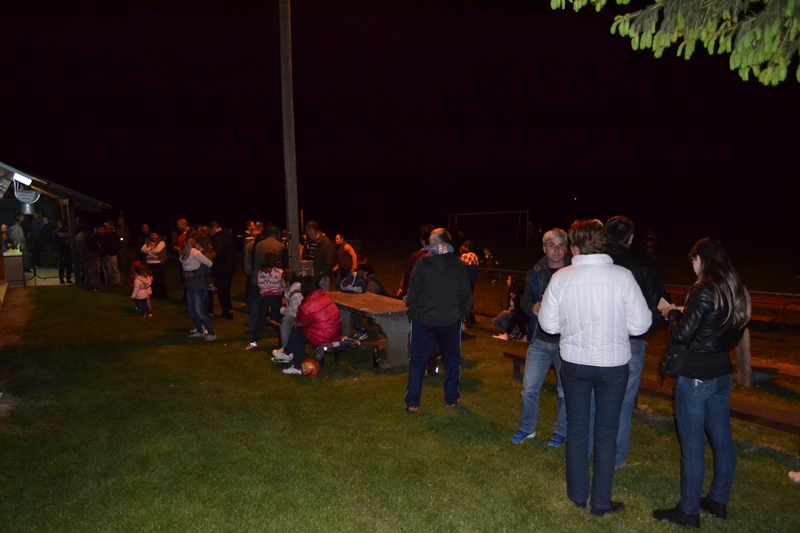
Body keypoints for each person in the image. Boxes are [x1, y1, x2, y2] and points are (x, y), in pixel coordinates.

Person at [538, 219, 650, 517]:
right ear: (602, 243)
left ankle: (578, 495)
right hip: (612, 365)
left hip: (575, 363)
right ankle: (600, 502)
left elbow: (548, 325)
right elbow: (641, 325)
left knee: (577, 429)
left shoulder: (561, 277)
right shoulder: (622, 276)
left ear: (573, 246)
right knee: (606, 431)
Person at [652, 238, 751, 528]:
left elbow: (683, 335)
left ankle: (688, 513)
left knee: (693, 447)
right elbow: (728, 327)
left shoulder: (703, 287)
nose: (692, 267)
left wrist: (672, 314)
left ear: (701, 259)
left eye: (693, 261)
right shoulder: (735, 287)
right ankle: (718, 501)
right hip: (722, 371)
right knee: (723, 442)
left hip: (696, 375)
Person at [594, 216, 668, 470]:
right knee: (623, 402)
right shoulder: (642, 267)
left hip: (596, 338)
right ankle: (614, 458)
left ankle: (590, 449)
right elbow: (659, 305)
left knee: (593, 397)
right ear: (631, 238)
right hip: (630, 342)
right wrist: (643, 330)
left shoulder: (592, 266)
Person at [509, 228, 571, 448]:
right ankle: (527, 427)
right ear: (544, 248)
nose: (556, 250)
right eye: (551, 245)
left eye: (561, 245)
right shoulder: (536, 271)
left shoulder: (575, 271)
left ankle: (561, 431)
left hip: (567, 343)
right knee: (530, 388)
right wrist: (531, 306)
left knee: (565, 391)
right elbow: (524, 300)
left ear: (567, 248)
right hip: (539, 340)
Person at [404, 228, 472, 412]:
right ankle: (451, 398)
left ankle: (412, 402)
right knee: (451, 361)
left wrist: (413, 312)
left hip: (424, 320)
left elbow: (413, 290)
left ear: (434, 241)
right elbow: (466, 294)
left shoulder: (422, 262)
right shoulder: (458, 264)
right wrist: (461, 314)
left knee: (418, 361)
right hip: (450, 320)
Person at [276, 276, 342, 374]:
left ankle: (296, 364)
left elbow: (300, 320)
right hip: (336, 332)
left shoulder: (308, 304)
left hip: (325, 335)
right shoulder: (326, 296)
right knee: (301, 330)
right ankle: (286, 352)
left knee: (297, 331)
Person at [247, 225, 288, 332]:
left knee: (256, 303)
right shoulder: (281, 246)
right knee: (276, 304)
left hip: (259, 276)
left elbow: (252, 260)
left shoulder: (258, 245)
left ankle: (252, 325)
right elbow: (285, 264)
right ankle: (276, 324)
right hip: (275, 279)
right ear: (278, 235)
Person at [246, 250, 284, 351]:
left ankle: (253, 342)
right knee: (279, 320)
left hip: (265, 297)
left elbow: (259, 284)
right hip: (276, 297)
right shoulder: (279, 272)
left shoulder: (261, 272)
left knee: (260, 319)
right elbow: (281, 285)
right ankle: (282, 343)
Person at [180, 238, 216, 341]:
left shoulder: (202, 255)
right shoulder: (188, 255)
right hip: (190, 284)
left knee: (199, 310)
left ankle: (211, 333)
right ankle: (199, 330)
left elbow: (204, 270)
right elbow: (185, 268)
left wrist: (193, 274)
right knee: (192, 309)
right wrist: (185, 275)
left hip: (199, 285)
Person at [270, 269, 303, 360]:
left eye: (282, 280)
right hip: (298, 316)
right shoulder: (290, 290)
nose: (280, 282)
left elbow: (293, 313)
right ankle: (286, 350)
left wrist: (282, 310)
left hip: (302, 319)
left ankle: (286, 352)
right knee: (285, 321)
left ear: (287, 282)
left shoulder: (296, 293)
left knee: (286, 321)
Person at [208, 221, 236, 320]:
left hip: (222, 268)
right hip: (230, 267)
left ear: (213, 228)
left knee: (222, 291)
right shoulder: (228, 236)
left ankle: (227, 312)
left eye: (210, 231)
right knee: (225, 290)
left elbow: (217, 253)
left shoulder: (219, 238)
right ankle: (228, 310)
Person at [492, 275, 527, 341]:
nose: (507, 281)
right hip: (512, 311)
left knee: (502, 316)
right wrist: (506, 310)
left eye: (509, 280)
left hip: (516, 312)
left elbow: (519, 308)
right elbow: (509, 305)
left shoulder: (519, 292)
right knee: (495, 321)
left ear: (513, 282)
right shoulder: (511, 291)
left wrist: (510, 311)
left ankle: (511, 333)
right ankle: (515, 331)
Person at [305, 221, 335, 291]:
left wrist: (324, 274)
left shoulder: (325, 243)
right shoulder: (309, 242)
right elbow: (307, 255)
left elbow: (329, 260)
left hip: (321, 276)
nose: (307, 234)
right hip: (311, 276)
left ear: (311, 230)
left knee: (322, 294)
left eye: (308, 232)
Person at [141, 230, 168, 299]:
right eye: (152, 235)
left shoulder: (161, 242)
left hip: (158, 263)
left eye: (154, 235)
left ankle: (161, 295)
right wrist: (150, 248)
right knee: (150, 279)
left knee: (159, 279)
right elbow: (142, 249)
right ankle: (152, 294)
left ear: (158, 235)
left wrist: (149, 252)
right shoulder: (148, 242)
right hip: (149, 263)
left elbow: (157, 250)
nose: (153, 237)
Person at [459, 240, 479, 328]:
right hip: (472, 280)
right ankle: (471, 319)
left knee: (464, 300)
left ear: (466, 247)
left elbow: (459, 267)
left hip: (465, 281)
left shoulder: (464, 256)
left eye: (464, 246)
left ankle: (468, 318)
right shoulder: (475, 256)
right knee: (470, 299)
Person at [52, 220, 73, 284]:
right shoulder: (57, 232)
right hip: (61, 251)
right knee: (62, 266)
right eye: (60, 224)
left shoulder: (67, 232)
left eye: (62, 224)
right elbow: (55, 242)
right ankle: (61, 279)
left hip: (68, 250)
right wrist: (63, 243)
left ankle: (68, 278)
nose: (61, 225)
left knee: (69, 265)